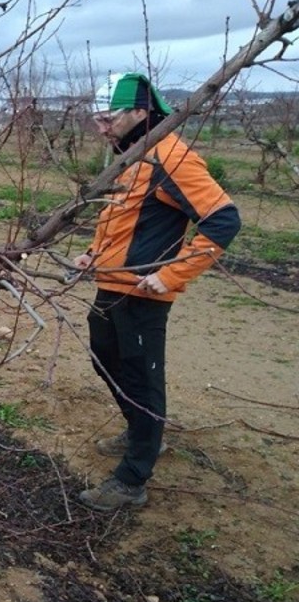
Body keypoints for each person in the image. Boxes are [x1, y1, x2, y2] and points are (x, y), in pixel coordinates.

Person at [73, 72, 241, 511]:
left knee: (142, 377)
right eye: (97, 119)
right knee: (104, 355)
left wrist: (171, 274)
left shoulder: (171, 156)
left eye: (109, 118)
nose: (102, 128)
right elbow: (125, 218)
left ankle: (133, 477)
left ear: (141, 112)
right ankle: (141, 428)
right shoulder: (132, 156)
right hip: (112, 284)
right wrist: (94, 252)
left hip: (144, 292)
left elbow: (224, 220)